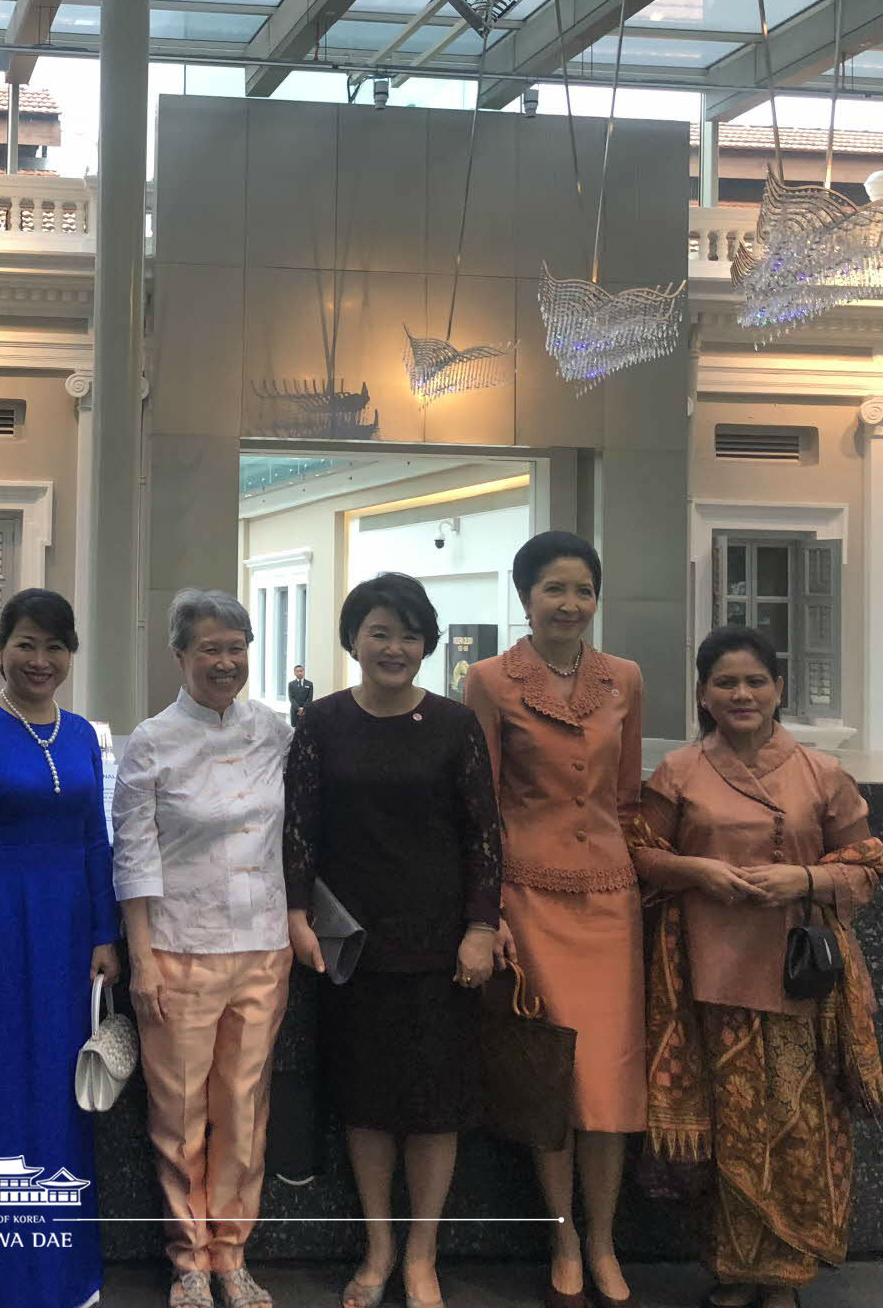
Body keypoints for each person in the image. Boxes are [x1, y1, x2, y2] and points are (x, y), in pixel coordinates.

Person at [627, 627, 883, 1308]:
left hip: (798, 978)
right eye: (724, 683)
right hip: (705, 975)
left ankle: (785, 1275)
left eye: (755, 682)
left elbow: (866, 866)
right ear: (703, 695)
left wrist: (801, 878)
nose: (741, 695)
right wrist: (697, 870)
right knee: (727, 1124)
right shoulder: (679, 771)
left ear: (778, 690)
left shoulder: (820, 772)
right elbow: (641, 854)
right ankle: (736, 1269)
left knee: (796, 1124)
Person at [284, 574, 503, 1308]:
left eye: (409, 634)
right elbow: (299, 832)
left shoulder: (453, 724)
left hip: (441, 943)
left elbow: (483, 835)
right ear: (353, 639)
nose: (395, 647)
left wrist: (480, 927)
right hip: (350, 944)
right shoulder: (319, 722)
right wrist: (296, 918)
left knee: (435, 1104)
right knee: (367, 1101)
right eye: (379, 631)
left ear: (427, 644)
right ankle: (378, 1247)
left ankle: (422, 1255)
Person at [464, 531, 643, 1308]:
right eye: (553, 590)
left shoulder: (625, 678)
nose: (570, 604)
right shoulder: (489, 681)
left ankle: (603, 1238)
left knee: (609, 1085)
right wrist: (487, 908)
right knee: (555, 1079)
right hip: (528, 898)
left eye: (583, 590)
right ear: (524, 597)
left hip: (611, 897)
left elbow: (628, 797)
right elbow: (482, 808)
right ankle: (564, 1235)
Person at [113, 588, 304, 1308]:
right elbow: (133, 856)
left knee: (245, 1111)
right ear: (180, 656)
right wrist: (142, 957)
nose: (226, 662)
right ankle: (189, 1256)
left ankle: (232, 1253)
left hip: (262, 942)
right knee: (180, 1116)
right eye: (210, 649)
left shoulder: (275, 732)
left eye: (237, 648)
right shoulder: (153, 741)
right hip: (179, 948)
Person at [0, 588, 121, 1308]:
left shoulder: (81, 735)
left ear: (70, 654)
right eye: (26, 644)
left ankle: (63, 1273)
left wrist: (106, 933)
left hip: (70, 923)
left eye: (55, 646)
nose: (41, 660)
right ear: (1, 649)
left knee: (59, 1090)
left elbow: (93, 838)